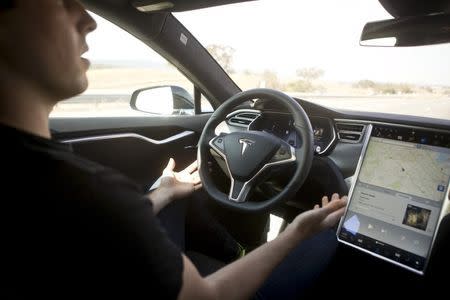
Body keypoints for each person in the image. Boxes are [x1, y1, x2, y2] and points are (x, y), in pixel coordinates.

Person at [0, 1, 347, 299]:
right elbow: (209, 296)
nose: (89, 20)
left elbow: (100, 226)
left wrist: (162, 193)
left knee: (183, 196)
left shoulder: (60, 186)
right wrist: (300, 229)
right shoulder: (87, 193)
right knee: (332, 228)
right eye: (62, 1)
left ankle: (239, 252)